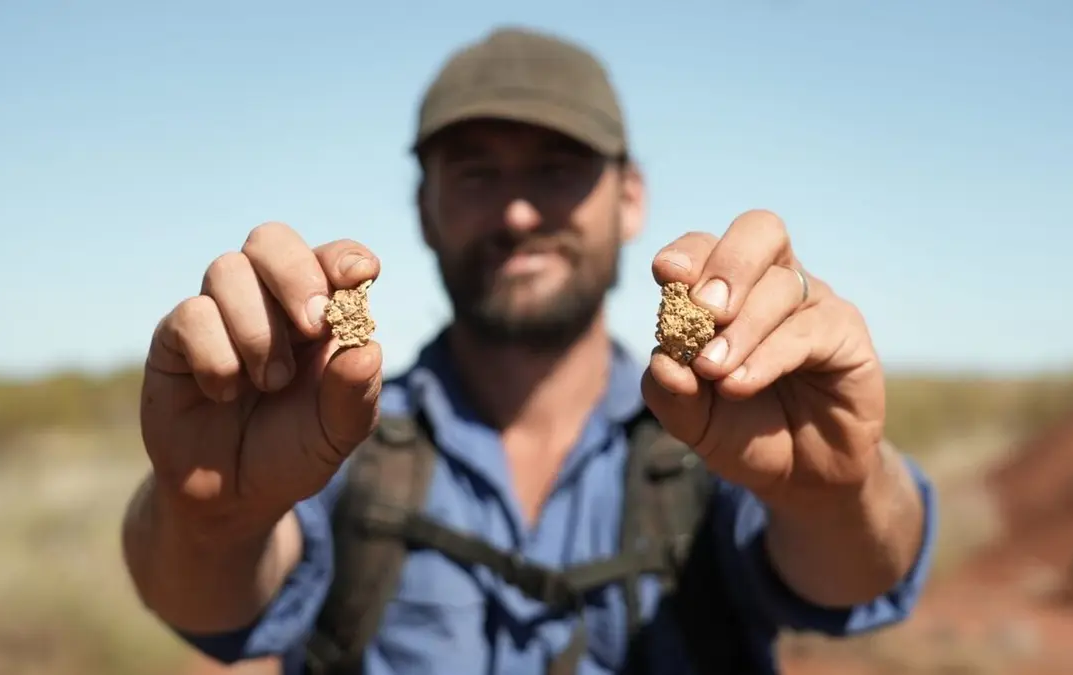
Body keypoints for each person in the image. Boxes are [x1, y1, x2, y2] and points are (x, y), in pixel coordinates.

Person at [122, 25, 937, 675]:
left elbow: (857, 575)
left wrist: (841, 492)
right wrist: (210, 515)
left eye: (556, 169)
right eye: (476, 174)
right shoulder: (335, 430)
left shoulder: (718, 429)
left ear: (629, 199)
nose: (517, 213)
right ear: (425, 208)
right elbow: (209, 603)